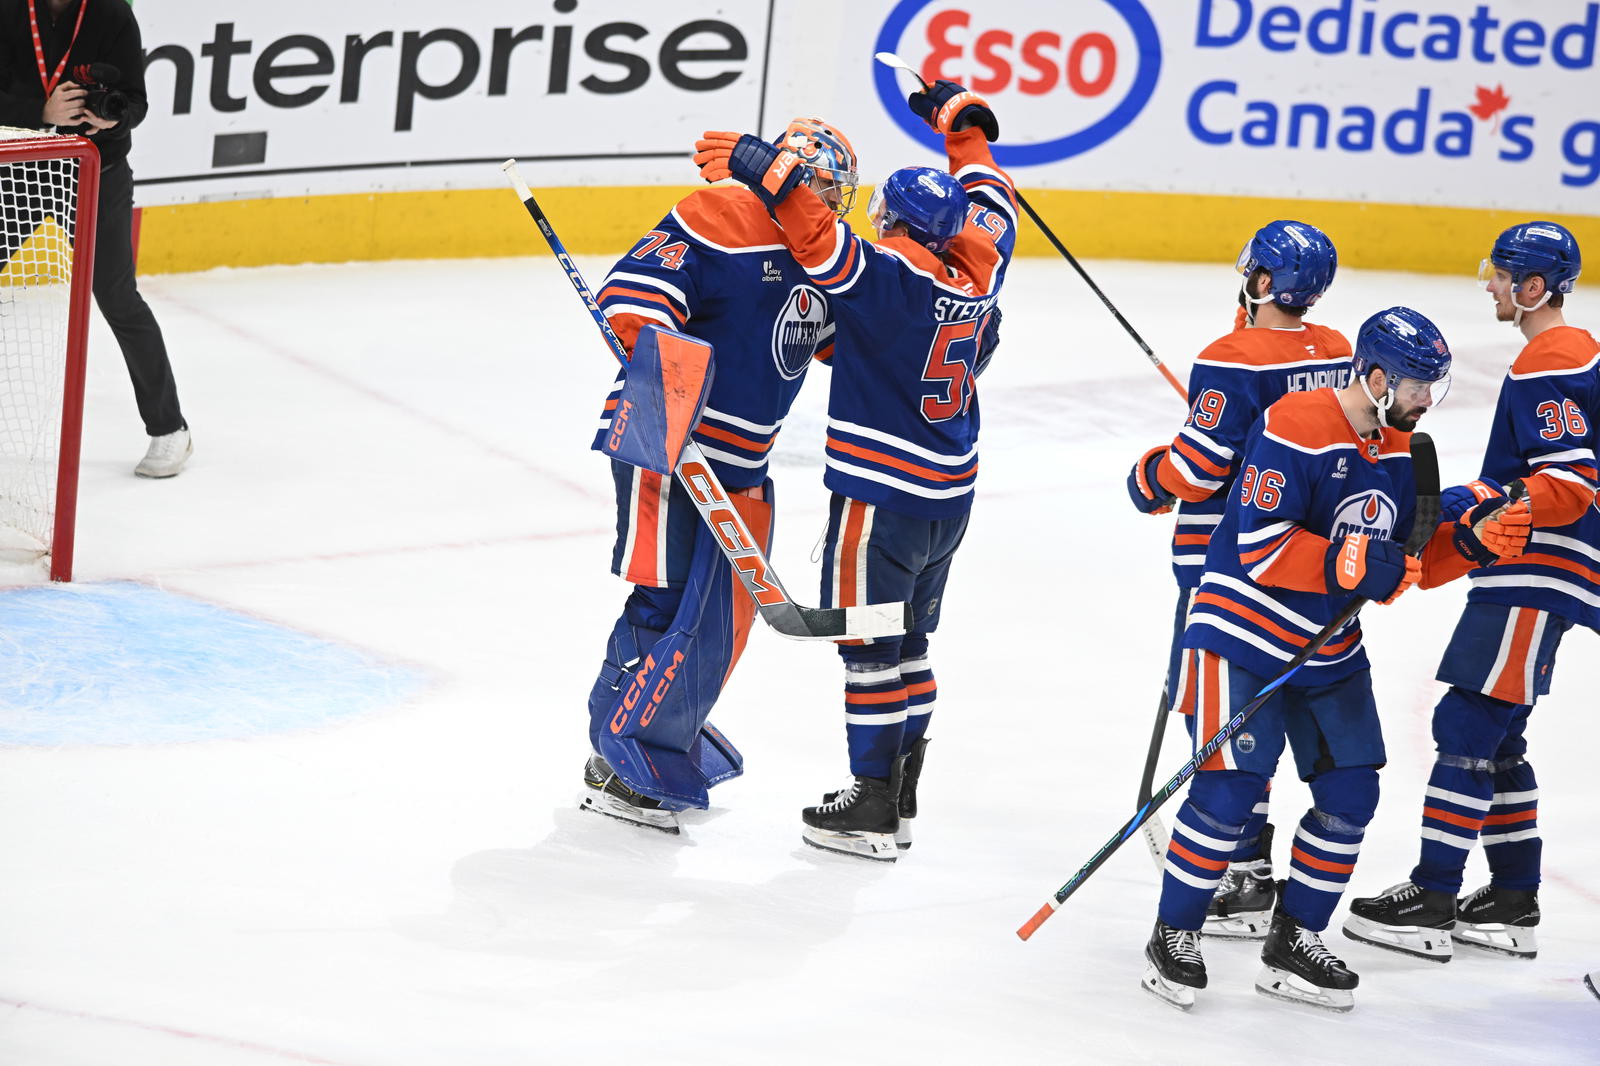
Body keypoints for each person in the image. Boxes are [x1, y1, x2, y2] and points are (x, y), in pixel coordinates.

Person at [694, 76, 1013, 860]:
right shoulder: (980, 267)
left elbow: (813, 238)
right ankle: (901, 788)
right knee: (911, 643)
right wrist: (961, 127)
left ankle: (869, 799)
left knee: (869, 645)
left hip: (880, 503)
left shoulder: (886, 275)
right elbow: (993, 199)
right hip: (950, 500)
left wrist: (763, 166)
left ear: (897, 224)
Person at [1140, 307, 1489, 1012]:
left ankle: (1295, 938)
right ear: (1377, 375)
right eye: (1419, 386)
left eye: (1433, 388)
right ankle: (1173, 933)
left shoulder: (1405, 452)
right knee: (1231, 791)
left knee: (1353, 790)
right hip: (1241, 635)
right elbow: (1260, 547)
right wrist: (1352, 559)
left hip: (1327, 650)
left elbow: (1404, 563)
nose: (1427, 401)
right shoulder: (1294, 423)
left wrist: (1476, 540)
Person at [579, 116, 859, 834]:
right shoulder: (717, 213)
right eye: (822, 187)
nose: (826, 203)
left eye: (833, 192)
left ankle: (651, 729)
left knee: (713, 618)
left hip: (740, 464)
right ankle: (613, 750)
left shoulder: (821, 257)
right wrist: (673, 377)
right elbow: (633, 301)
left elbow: (843, 347)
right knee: (663, 600)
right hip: (667, 444)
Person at [1343, 221, 1596, 962]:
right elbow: (1543, 468)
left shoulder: (1551, 356)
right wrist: (1472, 497)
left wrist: (1498, 514)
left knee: (1465, 724)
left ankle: (1432, 895)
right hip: (1544, 563)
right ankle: (1514, 897)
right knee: (1499, 735)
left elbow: (1570, 481)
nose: (1489, 283)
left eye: (1501, 274)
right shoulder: (1569, 355)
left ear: (1533, 288)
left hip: (1534, 568)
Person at [1127, 221, 1351, 938]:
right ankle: (1251, 864)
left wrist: (1148, 476)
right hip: (1301, 564)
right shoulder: (1338, 350)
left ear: (1260, 282)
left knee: (1223, 719)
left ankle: (1244, 870)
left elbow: (1196, 470)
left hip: (1224, 563)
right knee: (1264, 711)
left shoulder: (1229, 358)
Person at [0, 0, 190, 476]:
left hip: (95, 173)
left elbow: (136, 101)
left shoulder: (110, 13)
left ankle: (170, 430)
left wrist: (114, 118)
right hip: (21, 172)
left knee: (117, 297)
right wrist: (38, 111)